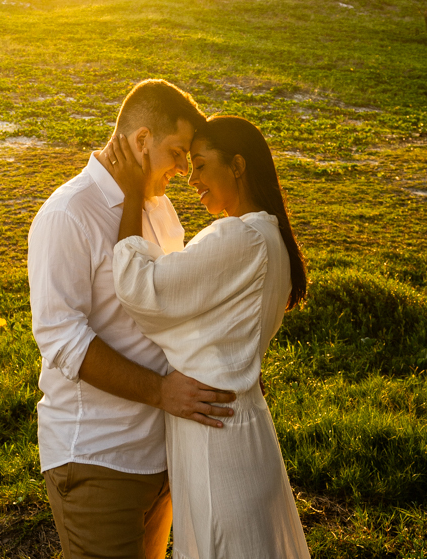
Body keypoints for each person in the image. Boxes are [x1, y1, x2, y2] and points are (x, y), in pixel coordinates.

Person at [27, 80, 238, 559]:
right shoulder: (68, 214)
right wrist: (161, 392)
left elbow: (174, 308)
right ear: (141, 140)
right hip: (99, 457)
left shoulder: (159, 209)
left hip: (162, 454)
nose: (184, 170)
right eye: (177, 153)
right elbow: (61, 341)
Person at [108, 114, 311, 559]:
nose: (191, 178)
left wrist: (131, 194)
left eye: (200, 165)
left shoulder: (240, 237)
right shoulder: (268, 237)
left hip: (217, 437)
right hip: (234, 423)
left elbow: (142, 287)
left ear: (237, 165)